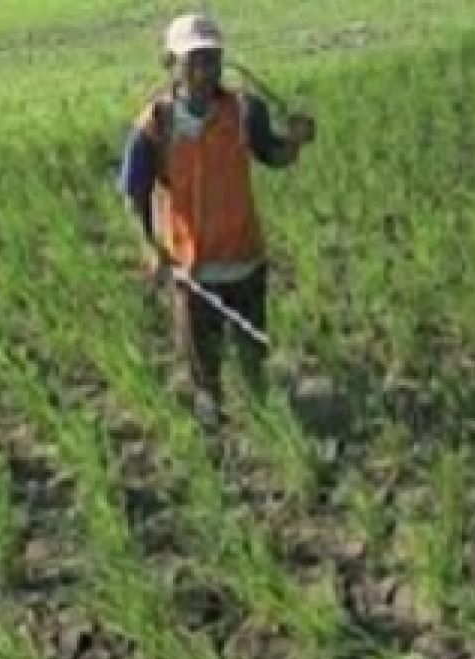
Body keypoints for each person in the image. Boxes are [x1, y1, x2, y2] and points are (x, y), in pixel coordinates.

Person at [117, 12, 316, 427]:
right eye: (195, 61)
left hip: (245, 254)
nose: (206, 71)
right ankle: (212, 414)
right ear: (171, 63)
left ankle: (263, 415)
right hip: (193, 268)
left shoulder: (245, 111)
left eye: (212, 58)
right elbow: (135, 196)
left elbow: (274, 156)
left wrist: (295, 141)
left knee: (251, 350)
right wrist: (150, 247)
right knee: (202, 357)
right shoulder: (153, 126)